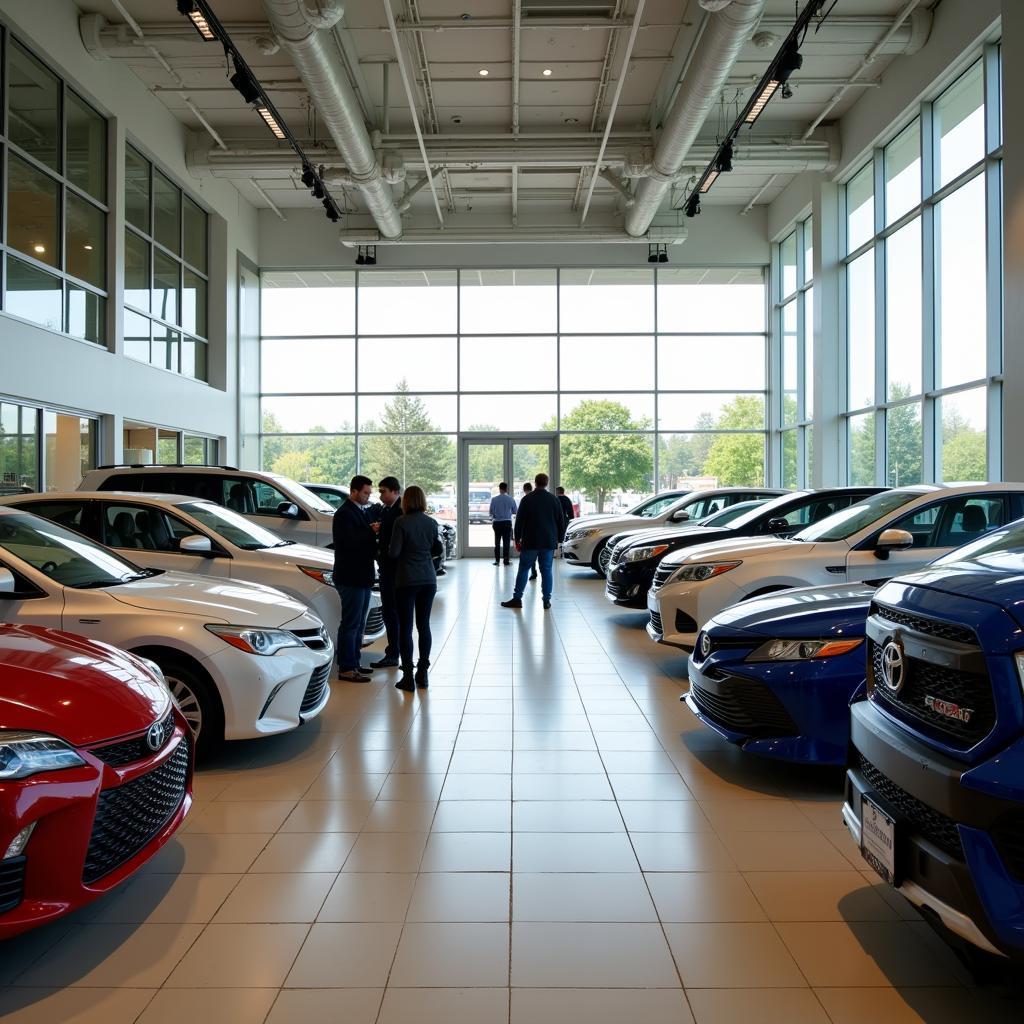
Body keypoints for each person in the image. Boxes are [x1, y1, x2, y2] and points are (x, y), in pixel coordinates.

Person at [388, 484, 439, 692]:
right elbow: (436, 547)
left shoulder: (401, 522)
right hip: (428, 579)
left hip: (407, 580)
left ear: (406, 501)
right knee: (424, 625)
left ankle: (408, 676)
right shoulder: (432, 522)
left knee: (406, 628)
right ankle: (423, 673)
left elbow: (394, 553)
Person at [332, 475, 378, 682]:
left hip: (362, 576)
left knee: (360, 623)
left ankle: (355, 662)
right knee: (350, 624)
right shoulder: (344, 514)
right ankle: (346, 667)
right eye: (365, 493)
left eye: (369, 493)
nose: (368, 497)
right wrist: (370, 531)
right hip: (350, 576)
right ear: (354, 491)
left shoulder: (359, 512)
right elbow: (350, 543)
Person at [502, 472, 565, 611]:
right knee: (546, 571)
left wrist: (516, 538)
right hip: (548, 541)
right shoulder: (554, 500)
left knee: (524, 569)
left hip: (530, 541)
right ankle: (546, 600)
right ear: (546, 483)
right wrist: (560, 539)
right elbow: (561, 521)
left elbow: (519, 521)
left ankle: (517, 598)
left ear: (535, 483)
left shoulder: (527, 499)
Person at [370, 476, 403, 668]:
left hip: (393, 571)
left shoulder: (399, 511)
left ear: (394, 491)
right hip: (387, 569)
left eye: (383, 491)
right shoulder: (387, 510)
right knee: (390, 613)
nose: (380, 495)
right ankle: (395, 651)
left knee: (392, 613)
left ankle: (394, 653)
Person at [489, 482, 517, 565]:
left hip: (497, 523)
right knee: (506, 542)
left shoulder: (494, 499)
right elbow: (515, 511)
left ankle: (497, 560)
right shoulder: (511, 499)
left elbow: (491, 512)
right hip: (507, 522)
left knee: (497, 542)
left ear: (499, 488)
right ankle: (506, 560)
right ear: (506, 489)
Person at [521, 482, 537, 579]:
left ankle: (533, 571)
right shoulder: (538, 499)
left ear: (524, 489)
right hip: (539, 531)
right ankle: (533, 571)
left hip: (528, 532)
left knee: (530, 554)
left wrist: (518, 536)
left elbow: (521, 519)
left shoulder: (525, 500)